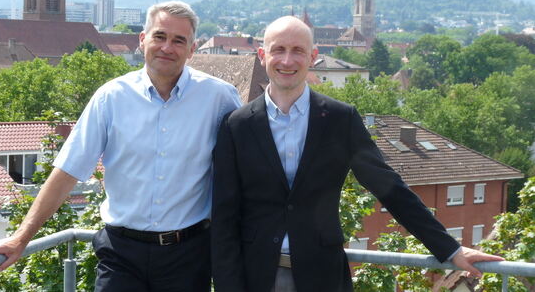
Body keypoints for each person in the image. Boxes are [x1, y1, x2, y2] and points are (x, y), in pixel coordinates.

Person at [210, 16, 503, 292]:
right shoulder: (237, 125)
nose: (287, 60)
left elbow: (388, 187)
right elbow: (224, 217)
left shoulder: (340, 119)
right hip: (254, 275)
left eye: (298, 51)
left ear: (313, 57)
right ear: (262, 55)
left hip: (322, 275)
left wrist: (450, 248)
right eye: (279, 50)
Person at [0, 0, 241, 292]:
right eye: (159, 36)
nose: (167, 47)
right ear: (143, 40)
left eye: (178, 40)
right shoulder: (111, 98)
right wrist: (21, 238)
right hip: (121, 254)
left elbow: (245, 168)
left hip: (188, 255)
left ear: (192, 50)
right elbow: (68, 170)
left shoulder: (219, 98)